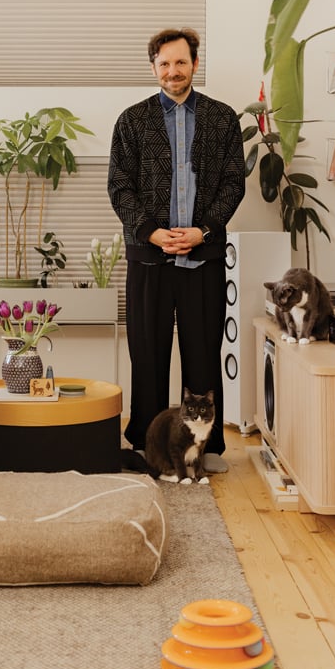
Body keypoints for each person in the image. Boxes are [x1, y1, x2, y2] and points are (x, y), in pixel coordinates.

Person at [108, 27, 245, 469]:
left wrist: (203, 229)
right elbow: (119, 186)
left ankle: (204, 447)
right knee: (147, 353)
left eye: (181, 62)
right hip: (148, 257)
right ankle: (147, 443)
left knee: (202, 350)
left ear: (194, 64)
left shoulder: (223, 119)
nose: (173, 71)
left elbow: (233, 184)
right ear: (154, 68)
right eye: (164, 63)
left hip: (202, 257)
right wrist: (150, 230)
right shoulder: (131, 120)